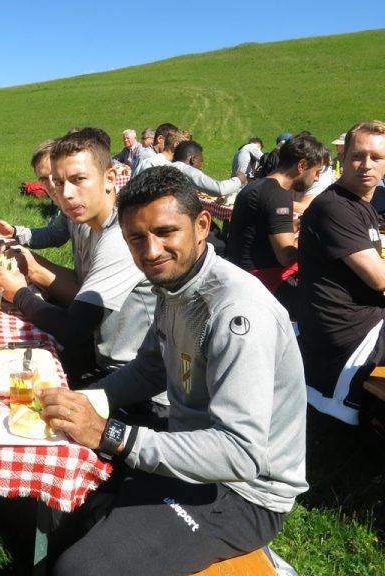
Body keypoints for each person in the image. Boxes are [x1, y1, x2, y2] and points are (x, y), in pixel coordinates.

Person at [41, 165, 307, 576]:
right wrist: (83, 402)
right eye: (136, 238)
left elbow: (241, 455)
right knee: (60, 494)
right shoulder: (176, 284)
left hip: (242, 493)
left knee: (78, 570)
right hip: (186, 451)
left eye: (166, 232)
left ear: (202, 225)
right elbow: (149, 370)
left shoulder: (237, 313)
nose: (150, 251)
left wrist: (110, 435)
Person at [0, 128, 156, 383]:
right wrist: (32, 266)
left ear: (110, 177)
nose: (64, 194)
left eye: (78, 179)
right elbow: (83, 288)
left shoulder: (121, 236)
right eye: (57, 183)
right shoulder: (85, 218)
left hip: (131, 378)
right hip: (100, 354)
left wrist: (20, 293)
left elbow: (72, 328)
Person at [297, 120, 385, 425]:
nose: (366, 165)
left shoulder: (361, 205)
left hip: (353, 318)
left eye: (377, 157)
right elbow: (380, 280)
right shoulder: (335, 207)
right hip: (350, 331)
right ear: (342, 160)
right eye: (358, 156)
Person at [227, 132, 327, 300]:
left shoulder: (258, 186)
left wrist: (295, 226)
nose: (317, 179)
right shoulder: (278, 195)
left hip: (241, 275)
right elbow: (286, 257)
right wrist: (314, 236)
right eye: (317, 171)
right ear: (301, 165)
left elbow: (258, 232)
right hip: (263, 284)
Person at [0, 139, 92, 287]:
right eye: (44, 179)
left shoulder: (95, 220)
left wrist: (30, 277)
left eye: (55, 176)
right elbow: (54, 234)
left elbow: (91, 301)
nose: (51, 185)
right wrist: (14, 232)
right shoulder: (70, 209)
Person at [172, 140, 245, 197]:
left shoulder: (169, 166)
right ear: (193, 159)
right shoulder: (189, 171)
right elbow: (219, 189)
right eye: (201, 161)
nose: (201, 166)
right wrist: (239, 179)